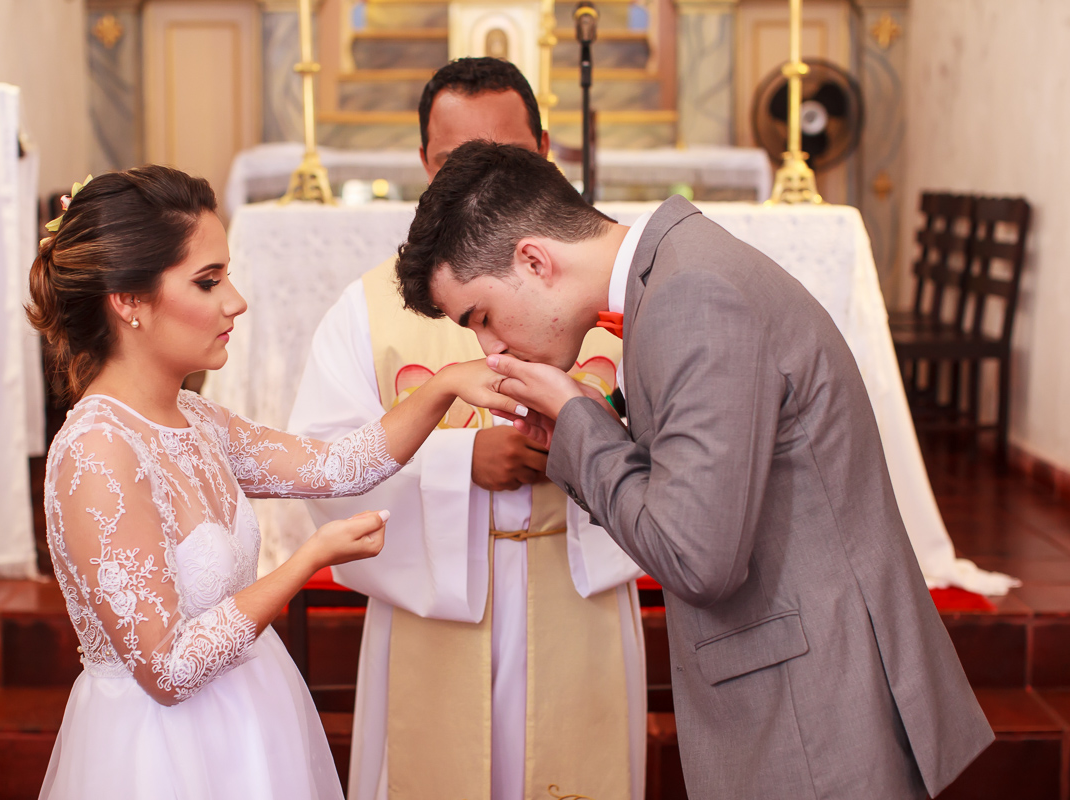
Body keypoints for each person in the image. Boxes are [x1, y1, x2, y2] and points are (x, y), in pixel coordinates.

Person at [394, 141, 994, 800]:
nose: (490, 347)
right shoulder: (681, 271)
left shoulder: (692, 296)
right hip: (813, 676)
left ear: (534, 259)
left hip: (812, 709)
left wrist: (579, 424)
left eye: (481, 316)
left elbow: (697, 557)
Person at [27, 164, 516, 800]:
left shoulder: (197, 418)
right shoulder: (97, 451)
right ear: (129, 301)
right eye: (208, 281)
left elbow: (340, 465)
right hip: (162, 754)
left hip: (249, 721)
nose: (236, 300)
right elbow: (168, 670)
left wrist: (446, 384)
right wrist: (306, 562)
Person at [289, 58, 646, 800]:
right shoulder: (368, 309)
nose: (480, 182)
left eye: (505, 157)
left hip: (580, 595)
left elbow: (682, 442)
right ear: (425, 164)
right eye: (456, 162)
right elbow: (324, 468)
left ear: (544, 153)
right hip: (432, 611)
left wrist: (581, 445)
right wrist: (459, 461)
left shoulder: (614, 295)